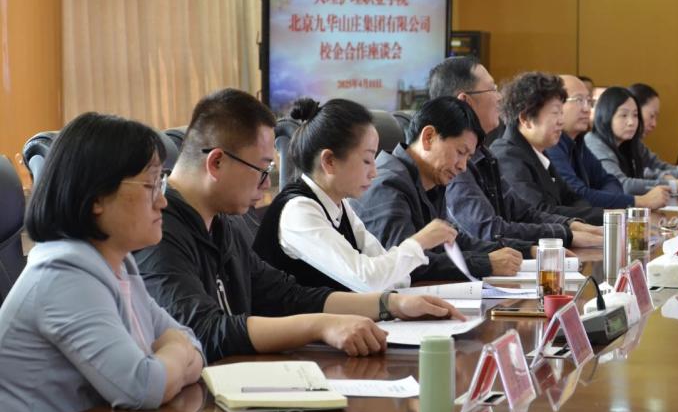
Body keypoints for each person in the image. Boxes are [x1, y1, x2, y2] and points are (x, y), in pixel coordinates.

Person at [134, 88, 462, 364]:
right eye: (262, 169)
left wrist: (391, 305)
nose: (267, 184)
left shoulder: (223, 222)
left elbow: (287, 295)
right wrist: (321, 326)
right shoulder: (159, 231)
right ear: (216, 162)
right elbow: (204, 332)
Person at [0, 113, 203, 412]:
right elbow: (143, 387)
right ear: (96, 197)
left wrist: (171, 355)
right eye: (151, 185)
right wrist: (176, 352)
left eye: (162, 183)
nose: (163, 201)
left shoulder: (118, 265)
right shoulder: (64, 277)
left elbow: (192, 342)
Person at [253, 97, 457, 292]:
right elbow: (367, 279)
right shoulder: (298, 211)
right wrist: (419, 242)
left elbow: (397, 279)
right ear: (329, 161)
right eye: (367, 160)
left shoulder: (340, 206)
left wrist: (395, 267)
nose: (374, 172)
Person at [351, 96, 535, 282]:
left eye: (468, 158)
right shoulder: (387, 185)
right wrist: (486, 263)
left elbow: (453, 241)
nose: (463, 166)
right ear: (428, 137)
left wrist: (526, 250)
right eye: (460, 152)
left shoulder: (431, 182)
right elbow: (405, 265)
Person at [428, 57, 602, 248]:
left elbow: (524, 213)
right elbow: (489, 231)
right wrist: (567, 235)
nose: (500, 97)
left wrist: (572, 225)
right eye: (493, 89)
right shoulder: (454, 162)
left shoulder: (484, 155)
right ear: (465, 101)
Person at [489, 72, 605, 226]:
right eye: (555, 113)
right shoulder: (507, 156)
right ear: (526, 119)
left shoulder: (537, 151)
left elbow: (572, 198)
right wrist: (604, 215)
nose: (561, 121)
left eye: (562, 113)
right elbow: (538, 212)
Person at [546, 75, 669, 209]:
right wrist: (638, 201)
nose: (587, 109)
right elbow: (577, 195)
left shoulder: (578, 142)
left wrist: (611, 200)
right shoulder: (552, 145)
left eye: (589, 101)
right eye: (579, 100)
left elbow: (609, 180)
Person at [585, 86, 678, 195]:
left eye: (635, 115)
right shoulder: (594, 143)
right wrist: (674, 185)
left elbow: (646, 171)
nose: (631, 122)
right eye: (623, 115)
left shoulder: (627, 143)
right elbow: (621, 185)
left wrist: (660, 176)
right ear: (606, 116)